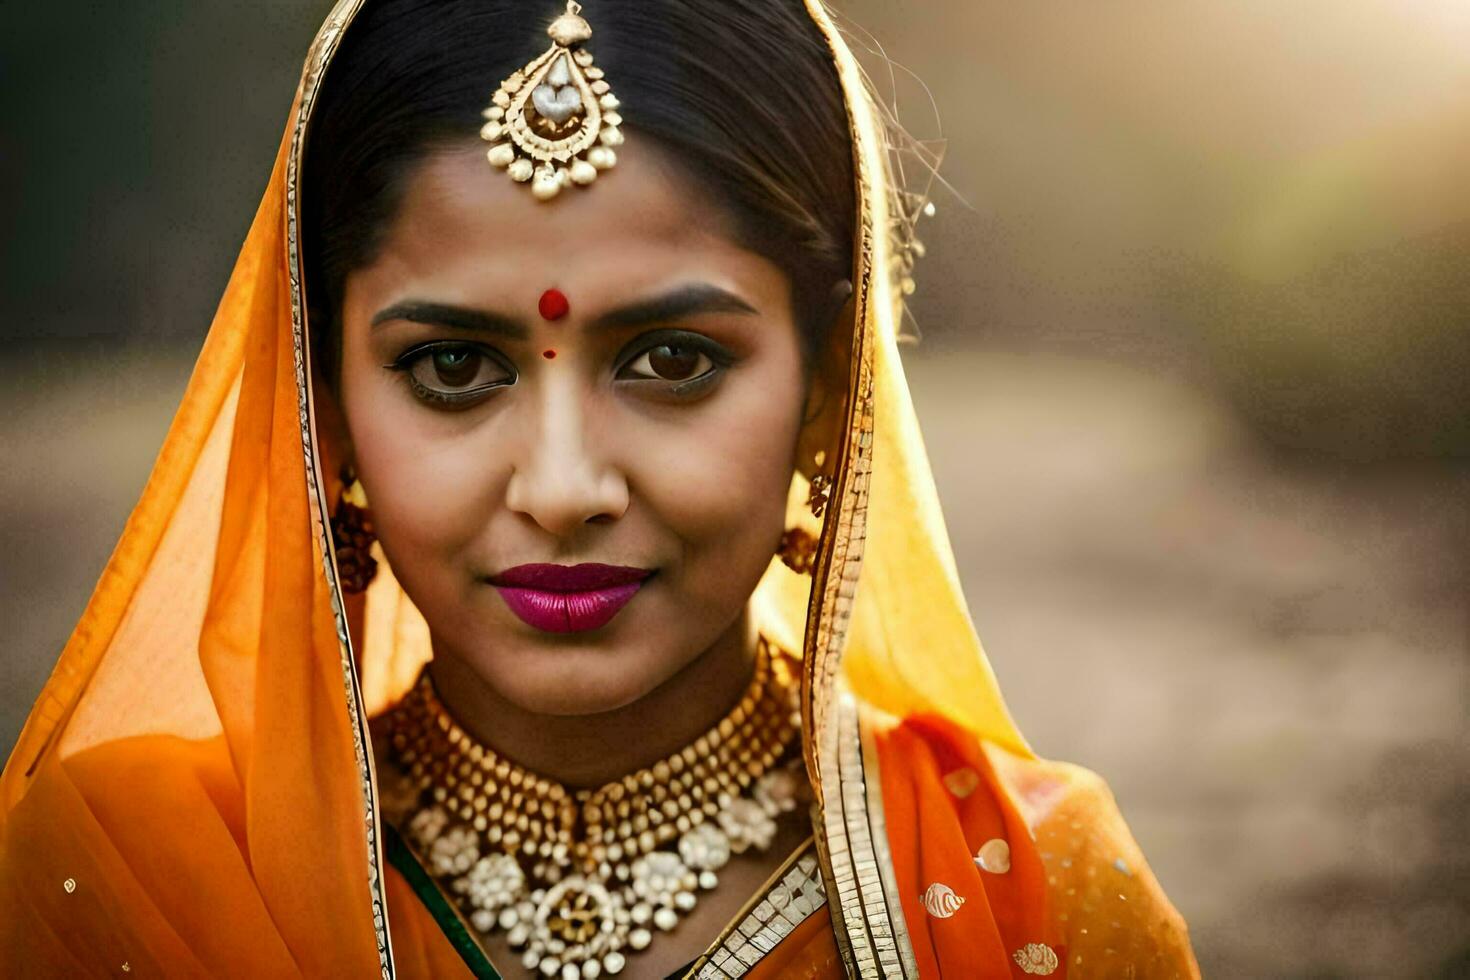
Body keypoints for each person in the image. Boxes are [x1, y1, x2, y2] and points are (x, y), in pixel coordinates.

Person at [0, 1, 1200, 977]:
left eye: (673, 360)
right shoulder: (133, 876)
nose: (564, 487)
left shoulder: (1032, 880)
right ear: (320, 409)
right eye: (453, 366)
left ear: (831, 389)